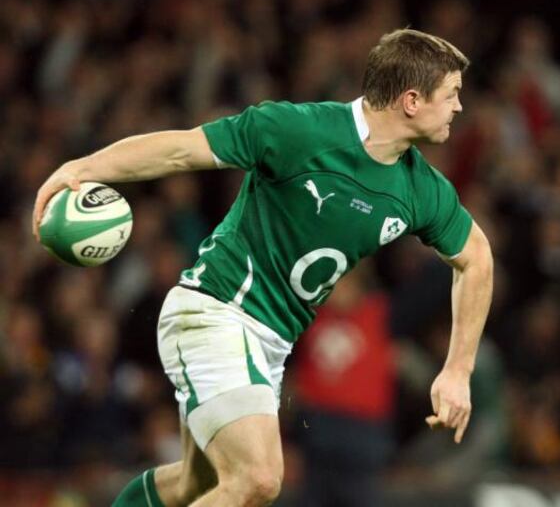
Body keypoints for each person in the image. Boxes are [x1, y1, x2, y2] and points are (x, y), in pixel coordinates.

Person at [32, 28, 494, 506]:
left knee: (200, 484)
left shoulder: (421, 188)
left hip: (269, 343)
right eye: (452, 94)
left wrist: (457, 370)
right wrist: (82, 168)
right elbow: (181, 149)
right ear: (412, 101)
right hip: (215, 313)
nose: (460, 107)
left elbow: (476, 257)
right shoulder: (298, 131)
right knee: (257, 477)